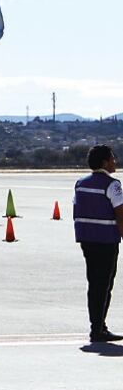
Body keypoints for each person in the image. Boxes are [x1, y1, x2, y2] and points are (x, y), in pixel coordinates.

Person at [73, 145, 123, 342]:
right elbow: (121, 214)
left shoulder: (80, 183)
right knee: (104, 284)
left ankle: (98, 325)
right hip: (106, 240)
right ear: (104, 162)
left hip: (86, 239)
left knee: (94, 283)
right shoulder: (112, 185)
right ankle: (98, 328)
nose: (115, 162)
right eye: (112, 159)